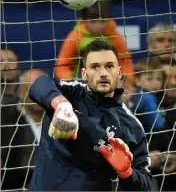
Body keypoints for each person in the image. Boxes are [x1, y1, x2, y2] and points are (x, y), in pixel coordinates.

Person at [28, 40, 151, 191]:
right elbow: (39, 85)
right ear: (84, 74)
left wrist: (126, 172)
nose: (103, 73)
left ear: (119, 72)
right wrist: (61, 105)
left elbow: (144, 183)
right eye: (95, 67)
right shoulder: (70, 93)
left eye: (109, 66)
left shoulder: (131, 125)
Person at [55, 1, 134, 80]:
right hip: (80, 82)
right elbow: (62, 65)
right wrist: (69, 80)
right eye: (93, 21)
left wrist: (126, 80)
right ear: (84, 20)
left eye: (102, 21)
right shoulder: (75, 36)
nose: (98, 26)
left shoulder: (114, 36)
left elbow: (125, 62)